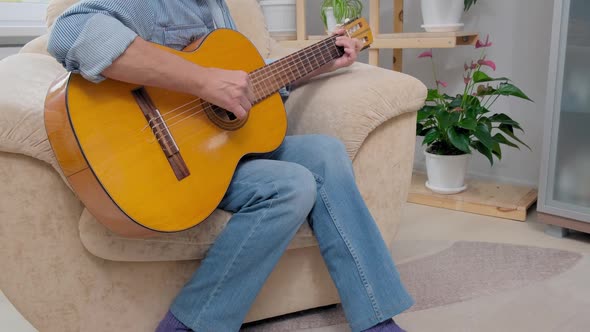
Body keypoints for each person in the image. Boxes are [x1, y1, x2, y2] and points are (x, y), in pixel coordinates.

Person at [47, 1, 413, 331]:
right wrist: (203, 81)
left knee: (326, 153)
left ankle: (375, 317)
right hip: (172, 167)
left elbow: (243, 84)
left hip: (223, 153)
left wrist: (318, 61)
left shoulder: (218, 8)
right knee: (293, 185)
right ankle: (189, 325)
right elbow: (71, 31)